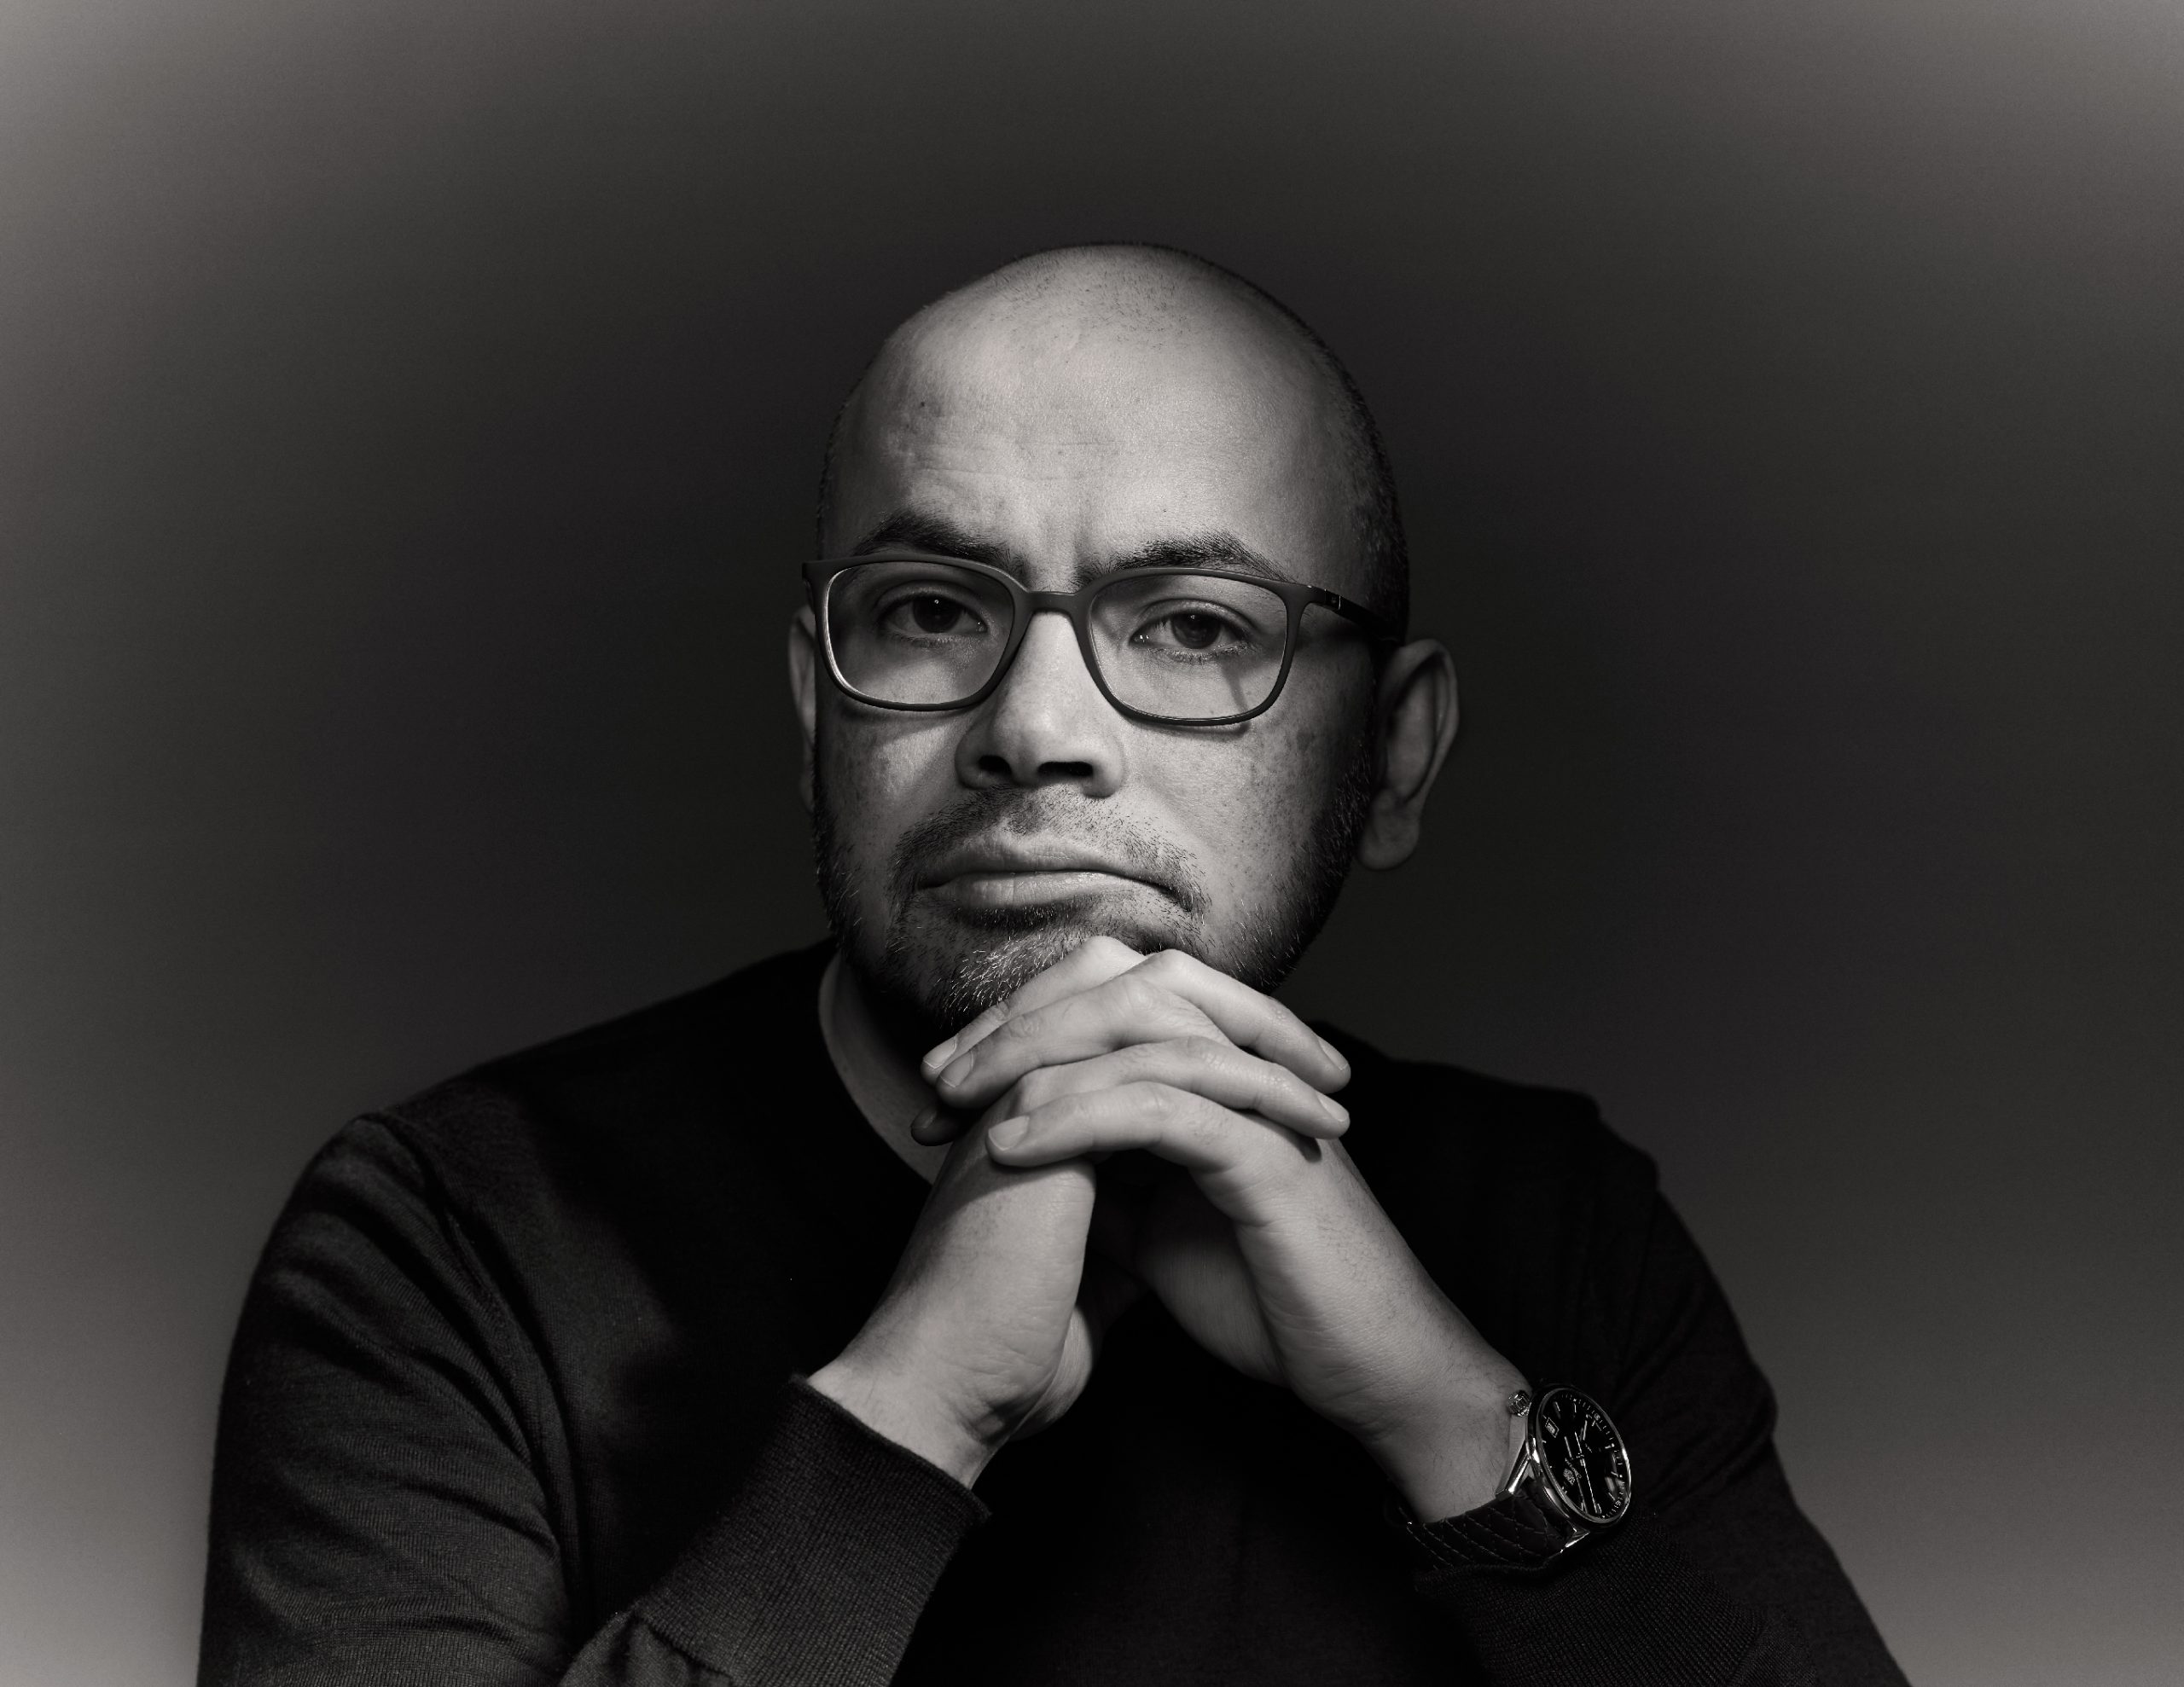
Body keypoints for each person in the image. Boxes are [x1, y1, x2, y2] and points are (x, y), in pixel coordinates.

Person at [199, 245, 1907, 1685]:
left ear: (1391, 755)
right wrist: (905, 1415)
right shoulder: (449, 1239)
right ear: (815, 711)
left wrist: (1454, 1422)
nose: (1033, 727)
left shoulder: (1551, 1224)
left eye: (1194, 624)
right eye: (931, 609)